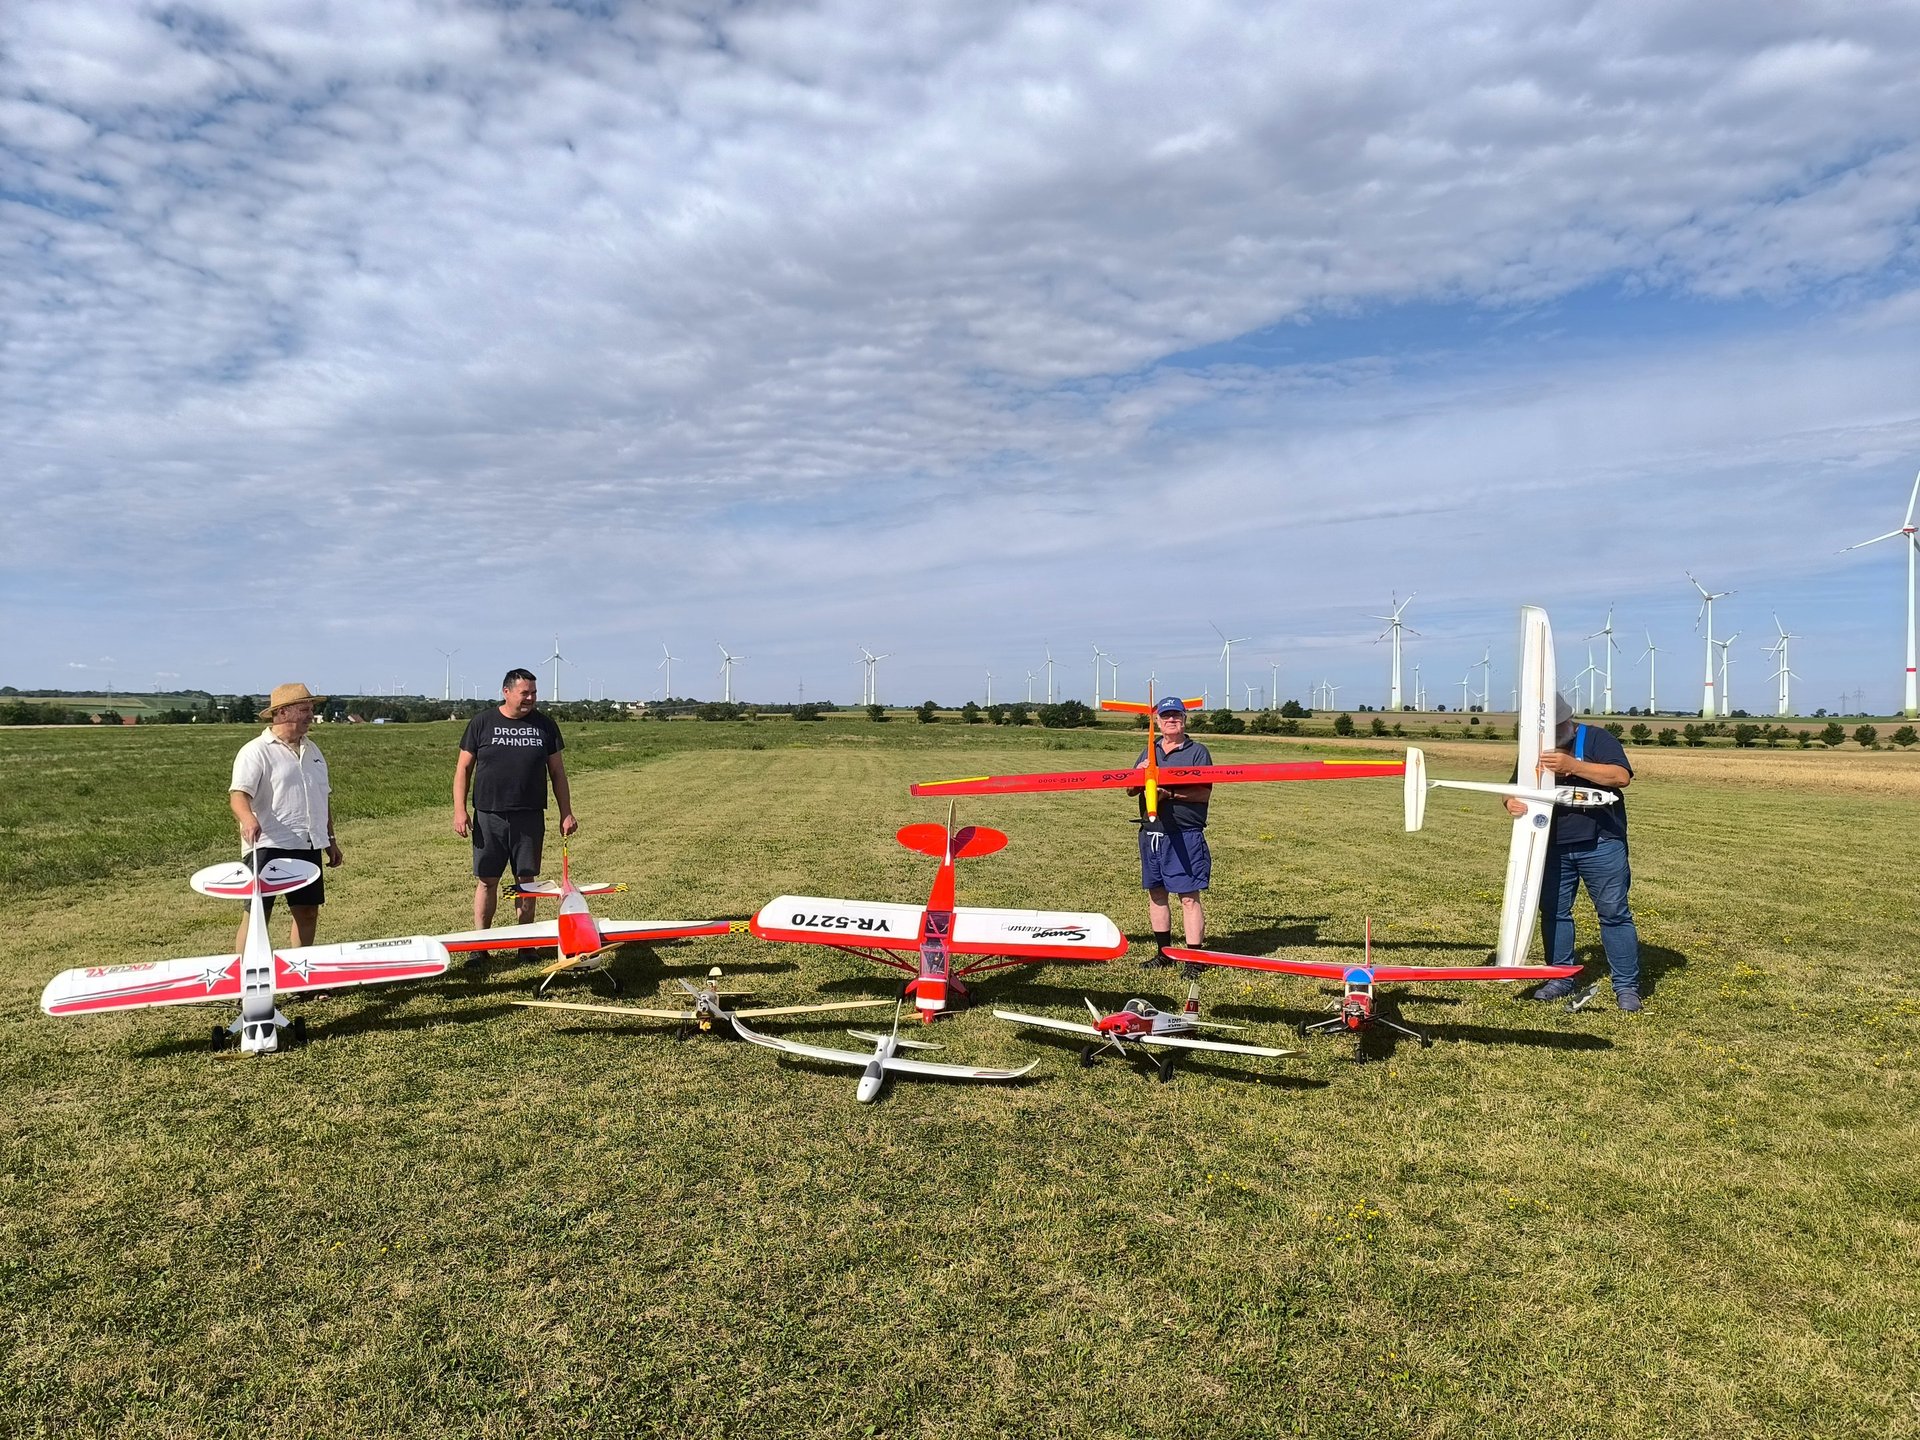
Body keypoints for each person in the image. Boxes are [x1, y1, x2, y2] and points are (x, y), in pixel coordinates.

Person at [1505, 697, 1643, 1011]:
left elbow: (1621, 777)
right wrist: (1509, 802)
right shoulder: (1532, 748)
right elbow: (1513, 787)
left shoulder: (1596, 738)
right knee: (1553, 912)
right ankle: (1561, 977)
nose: (1549, 738)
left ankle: (1626, 987)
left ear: (1568, 721)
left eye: (1554, 730)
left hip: (1601, 844)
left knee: (1614, 913)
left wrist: (1574, 767)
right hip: (1550, 844)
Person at [452, 668, 577, 938]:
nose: (531, 698)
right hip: (489, 816)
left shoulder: (545, 725)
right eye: (525, 693)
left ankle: (526, 942)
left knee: (526, 882)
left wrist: (566, 812)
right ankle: (481, 943)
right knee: (487, 881)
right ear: (506, 692)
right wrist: (460, 811)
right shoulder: (482, 723)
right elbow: (463, 769)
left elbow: (557, 773)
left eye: (534, 692)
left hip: (529, 816)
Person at [229, 682, 342, 953]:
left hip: (308, 844)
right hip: (267, 844)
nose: (310, 715)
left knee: (307, 913)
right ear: (281, 713)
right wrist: (248, 819)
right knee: (257, 915)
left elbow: (322, 798)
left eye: (312, 709)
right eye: (304, 709)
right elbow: (238, 795)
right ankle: (246, 979)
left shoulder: (313, 751)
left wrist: (331, 840)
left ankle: (300, 975)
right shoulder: (255, 751)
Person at [1132, 696, 1214, 968]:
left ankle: (1194, 959)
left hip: (1184, 832)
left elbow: (1203, 792)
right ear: (1157, 722)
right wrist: (1139, 774)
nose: (1171, 720)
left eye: (1176, 716)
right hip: (1152, 832)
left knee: (1189, 897)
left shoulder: (1197, 751)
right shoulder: (1149, 750)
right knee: (1157, 894)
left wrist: (1170, 793)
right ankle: (1164, 953)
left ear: (1184, 719)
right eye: (1166, 716)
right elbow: (1130, 789)